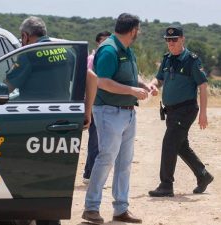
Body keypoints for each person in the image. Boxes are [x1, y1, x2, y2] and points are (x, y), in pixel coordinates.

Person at [6, 16, 98, 225]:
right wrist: (87, 112)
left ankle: (25, 217)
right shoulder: (66, 50)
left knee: (25, 176)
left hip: (30, 122)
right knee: (52, 178)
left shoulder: (29, 53)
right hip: (61, 121)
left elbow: (8, 87)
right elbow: (91, 77)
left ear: (25, 36)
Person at [82, 13, 157, 224]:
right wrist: (132, 90)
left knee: (124, 163)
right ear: (133, 30)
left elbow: (132, 77)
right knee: (106, 159)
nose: (139, 33)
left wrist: (143, 85)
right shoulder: (109, 49)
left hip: (127, 113)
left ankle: (121, 209)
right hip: (109, 112)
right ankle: (91, 208)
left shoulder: (127, 50)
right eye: (138, 30)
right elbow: (102, 82)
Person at [148, 24, 214, 197]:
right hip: (171, 111)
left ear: (182, 39)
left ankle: (166, 185)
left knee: (169, 143)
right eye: (168, 40)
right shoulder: (167, 58)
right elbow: (159, 78)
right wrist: (152, 86)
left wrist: (203, 113)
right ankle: (203, 175)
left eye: (174, 39)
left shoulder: (191, 60)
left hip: (186, 109)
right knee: (180, 145)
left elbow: (203, 85)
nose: (170, 43)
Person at [83, 31, 111, 184]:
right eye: (103, 41)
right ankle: (90, 174)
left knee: (100, 140)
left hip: (103, 103)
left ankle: (91, 173)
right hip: (93, 103)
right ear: (97, 43)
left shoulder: (107, 59)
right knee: (95, 140)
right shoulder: (92, 59)